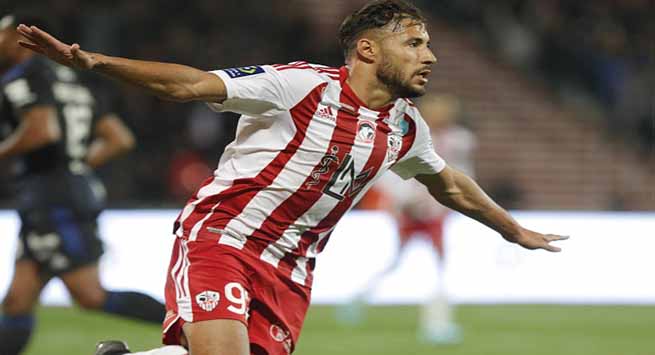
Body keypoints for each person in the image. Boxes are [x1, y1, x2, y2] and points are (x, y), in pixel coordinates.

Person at [16, 1, 568, 354]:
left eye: (428, 43)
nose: (431, 55)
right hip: (223, 239)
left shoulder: (404, 127)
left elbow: (448, 183)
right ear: (369, 49)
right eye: (415, 42)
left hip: (290, 273)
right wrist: (94, 63)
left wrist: (510, 229)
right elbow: (189, 85)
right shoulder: (300, 85)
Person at [0, 13, 166, 355]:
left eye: (1, 34)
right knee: (18, 299)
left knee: (90, 295)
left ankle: (191, 323)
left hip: (51, 198)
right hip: (63, 192)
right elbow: (119, 138)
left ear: (21, 38)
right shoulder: (74, 80)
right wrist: (75, 165)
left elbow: (42, 130)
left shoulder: (24, 77)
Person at [344, 94, 476, 344]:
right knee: (402, 264)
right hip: (410, 212)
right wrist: (400, 202)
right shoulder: (413, 135)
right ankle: (360, 299)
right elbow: (393, 172)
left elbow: (463, 173)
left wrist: (454, 203)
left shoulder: (457, 141)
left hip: (433, 213)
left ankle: (436, 323)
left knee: (437, 269)